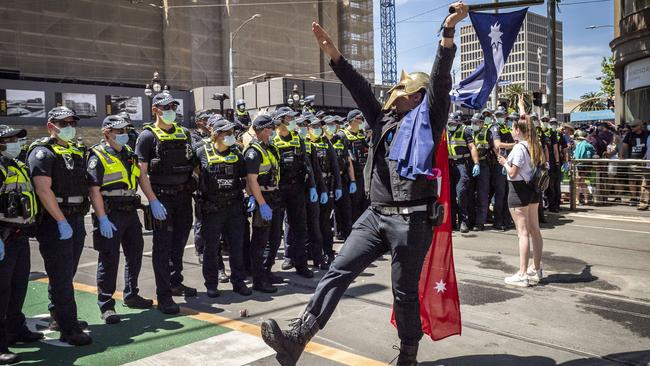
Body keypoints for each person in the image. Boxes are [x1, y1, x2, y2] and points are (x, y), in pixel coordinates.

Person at [261, 5, 465, 365]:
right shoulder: (381, 118)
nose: (396, 92)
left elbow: (441, 81)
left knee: (404, 294)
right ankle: (298, 337)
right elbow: (358, 87)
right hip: (375, 216)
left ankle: (408, 355)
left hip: (412, 220)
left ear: (417, 96)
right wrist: (333, 55)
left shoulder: (430, 118)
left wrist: (447, 34)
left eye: (405, 89)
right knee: (338, 269)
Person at [27, 106, 92, 346]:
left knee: (66, 272)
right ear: (50, 126)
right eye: (63, 123)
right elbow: (44, 190)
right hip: (56, 221)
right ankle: (69, 327)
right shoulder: (42, 152)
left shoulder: (74, 151)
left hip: (75, 218)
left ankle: (58, 316)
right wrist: (61, 221)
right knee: (62, 275)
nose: (69, 127)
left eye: (71, 122)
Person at [87, 115, 154, 325]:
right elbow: (94, 190)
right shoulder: (97, 156)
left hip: (129, 212)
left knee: (135, 254)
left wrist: (152, 200)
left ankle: (131, 294)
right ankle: (106, 305)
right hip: (110, 213)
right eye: (119, 131)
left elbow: (141, 177)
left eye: (126, 131)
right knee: (109, 259)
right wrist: (102, 218)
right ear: (107, 132)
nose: (124, 135)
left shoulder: (128, 154)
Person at [135, 93, 197, 315]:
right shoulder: (147, 136)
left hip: (183, 197)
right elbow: (141, 174)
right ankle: (164, 296)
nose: (170, 110)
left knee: (179, 244)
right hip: (162, 197)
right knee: (162, 248)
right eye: (165, 107)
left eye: (173, 106)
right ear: (155, 110)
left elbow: (194, 164)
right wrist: (152, 200)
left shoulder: (184, 133)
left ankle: (175, 282)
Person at [194, 116, 252, 297]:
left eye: (232, 133)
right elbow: (194, 172)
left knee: (237, 246)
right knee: (211, 248)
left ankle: (239, 281)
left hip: (234, 206)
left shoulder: (237, 152)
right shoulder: (201, 152)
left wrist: (251, 198)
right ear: (217, 135)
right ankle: (211, 284)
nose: (231, 136)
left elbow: (246, 178)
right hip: (212, 207)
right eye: (227, 133)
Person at [0, 126, 44, 364]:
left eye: (16, 139)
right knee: (2, 292)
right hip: (3, 238)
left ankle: (16, 329)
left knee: (18, 288)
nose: (15, 143)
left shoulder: (16, 165)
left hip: (20, 237)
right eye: (8, 140)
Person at [497, 96, 545, 288]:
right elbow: (529, 127)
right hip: (533, 190)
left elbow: (512, 172)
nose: (510, 129)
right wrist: (522, 108)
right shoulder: (535, 144)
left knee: (522, 233)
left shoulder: (518, 148)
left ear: (518, 130)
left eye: (513, 127)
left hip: (518, 190)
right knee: (535, 230)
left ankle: (523, 274)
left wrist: (504, 162)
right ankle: (536, 268)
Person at [270, 107, 316, 278]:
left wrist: (311, 185)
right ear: (281, 120)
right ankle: (269, 268)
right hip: (278, 189)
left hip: (296, 188)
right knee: (275, 230)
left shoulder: (297, 137)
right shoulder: (272, 138)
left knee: (299, 227)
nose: (294, 121)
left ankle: (301, 264)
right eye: (290, 118)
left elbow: (306, 163)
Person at [245, 114, 282, 293]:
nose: (273, 131)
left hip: (274, 197)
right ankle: (258, 280)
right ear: (262, 130)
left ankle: (267, 272)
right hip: (264, 200)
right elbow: (252, 181)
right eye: (270, 129)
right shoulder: (253, 153)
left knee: (274, 239)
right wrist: (261, 203)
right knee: (260, 242)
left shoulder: (270, 148)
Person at [307, 116, 342, 269]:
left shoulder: (326, 143)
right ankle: (316, 255)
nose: (317, 129)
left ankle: (328, 252)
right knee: (313, 225)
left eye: (318, 126)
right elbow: (313, 170)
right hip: (311, 189)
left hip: (327, 188)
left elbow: (335, 165)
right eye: (313, 126)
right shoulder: (306, 143)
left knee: (325, 224)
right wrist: (316, 188)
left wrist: (338, 186)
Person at [447, 111, 480, 233]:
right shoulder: (445, 130)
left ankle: (463, 221)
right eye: (450, 123)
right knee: (450, 195)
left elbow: (472, 147)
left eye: (453, 123)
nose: (451, 125)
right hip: (449, 165)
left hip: (462, 164)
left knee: (461, 193)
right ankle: (452, 222)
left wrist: (476, 163)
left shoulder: (465, 130)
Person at [326, 115, 355, 242]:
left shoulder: (340, 139)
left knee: (346, 211)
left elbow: (348, 161)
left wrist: (352, 180)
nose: (333, 127)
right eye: (330, 124)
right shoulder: (321, 141)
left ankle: (349, 239)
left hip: (341, 180)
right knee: (327, 215)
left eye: (335, 124)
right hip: (326, 182)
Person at [338, 109, 368, 222]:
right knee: (351, 209)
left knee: (364, 206)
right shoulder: (342, 136)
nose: (362, 122)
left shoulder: (362, 135)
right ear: (352, 120)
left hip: (363, 176)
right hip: (349, 179)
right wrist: (352, 180)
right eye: (360, 119)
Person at [490, 108, 515, 231]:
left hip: (508, 162)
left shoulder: (506, 128)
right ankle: (498, 221)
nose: (501, 117)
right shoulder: (495, 127)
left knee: (507, 193)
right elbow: (497, 145)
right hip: (500, 163)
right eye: (498, 115)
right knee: (500, 194)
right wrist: (514, 145)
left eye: (502, 115)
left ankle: (506, 219)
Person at [471, 113, 495, 231]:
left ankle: (480, 222)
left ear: (482, 123)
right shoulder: (469, 132)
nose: (474, 124)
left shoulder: (487, 133)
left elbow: (494, 149)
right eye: (473, 122)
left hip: (484, 165)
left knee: (482, 194)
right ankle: (470, 220)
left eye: (476, 122)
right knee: (469, 193)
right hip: (470, 165)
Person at [620, 120, 649, 207]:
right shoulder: (629, 135)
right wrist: (621, 156)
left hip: (644, 161)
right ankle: (634, 198)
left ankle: (642, 198)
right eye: (631, 126)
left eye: (634, 126)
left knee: (643, 181)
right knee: (632, 180)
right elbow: (624, 145)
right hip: (632, 160)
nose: (631, 128)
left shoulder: (647, 134)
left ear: (640, 126)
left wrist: (645, 157)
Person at [573, 130, 596, 205]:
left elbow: (574, 155)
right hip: (585, 165)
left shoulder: (578, 145)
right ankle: (586, 199)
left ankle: (577, 200)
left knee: (577, 183)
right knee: (583, 183)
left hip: (577, 165)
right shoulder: (587, 144)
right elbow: (593, 151)